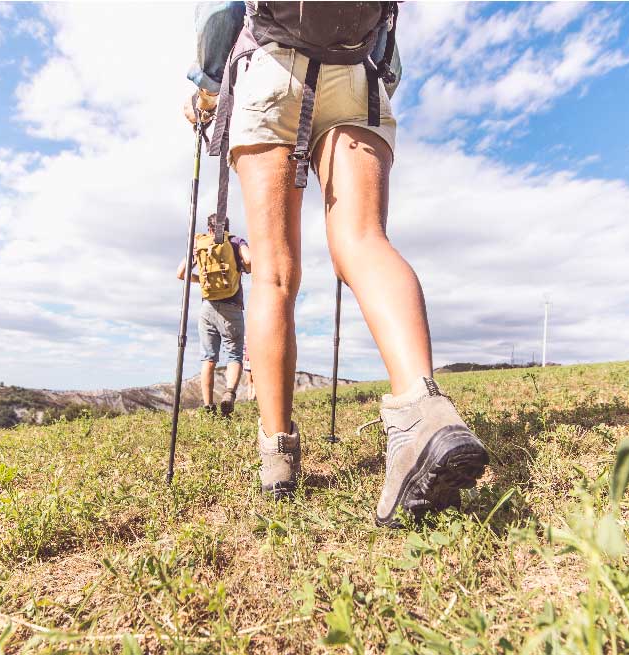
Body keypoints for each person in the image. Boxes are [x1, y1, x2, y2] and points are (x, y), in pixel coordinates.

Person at [184, 2, 488, 525]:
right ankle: (422, 409)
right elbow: (391, 52)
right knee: (364, 240)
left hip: (271, 70)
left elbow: (221, 10)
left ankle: (278, 455)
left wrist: (209, 86)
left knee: (275, 275)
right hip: (357, 76)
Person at [176, 213, 252, 417]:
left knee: (208, 359)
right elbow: (249, 260)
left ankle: (208, 407)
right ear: (226, 227)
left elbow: (180, 273)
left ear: (209, 228)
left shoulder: (200, 244)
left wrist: (201, 280)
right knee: (234, 354)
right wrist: (242, 269)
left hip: (207, 307)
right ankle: (229, 393)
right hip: (232, 306)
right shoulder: (235, 241)